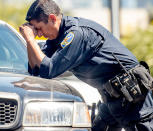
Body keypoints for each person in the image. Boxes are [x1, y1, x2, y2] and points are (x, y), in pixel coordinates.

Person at [19, 0, 153, 130]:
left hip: (132, 95)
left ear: (53, 18)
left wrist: (30, 39)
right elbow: (36, 71)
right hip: (113, 97)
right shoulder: (55, 38)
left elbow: (49, 70)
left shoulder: (76, 34)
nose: (39, 34)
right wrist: (29, 40)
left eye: (39, 28)